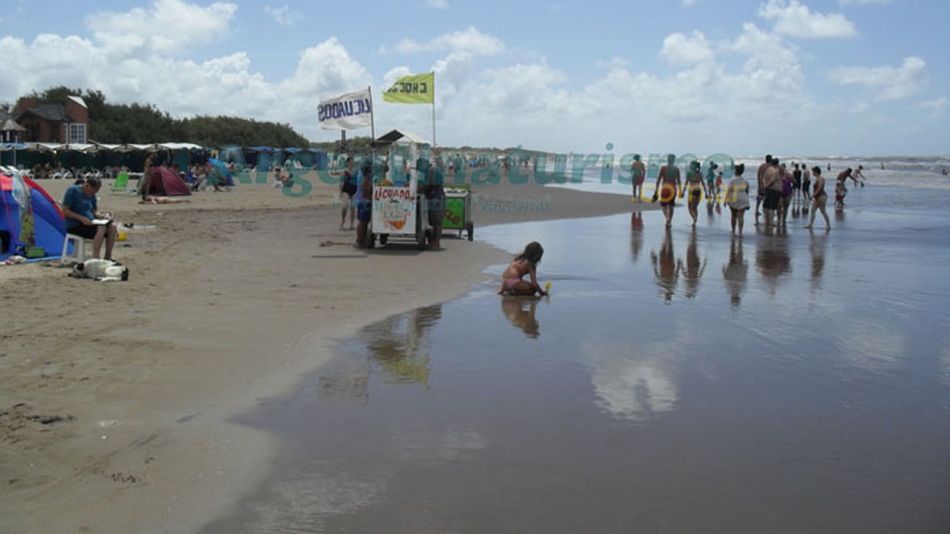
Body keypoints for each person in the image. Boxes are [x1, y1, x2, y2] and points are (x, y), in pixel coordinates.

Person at [61, 177, 117, 260]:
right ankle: (96, 257)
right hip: (75, 225)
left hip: (90, 223)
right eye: (92, 191)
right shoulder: (73, 191)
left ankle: (108, 256)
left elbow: (94, 211)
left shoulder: (92, 195)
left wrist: (103, 216)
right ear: (86, 185)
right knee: (101, 228)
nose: (92, 194)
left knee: (112, 226)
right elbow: (65, 211)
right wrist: (81, 218)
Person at [653, 154, 681, 227]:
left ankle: (667, 218)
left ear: (668, 160)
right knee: (671, 206)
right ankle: (669, 222)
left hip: (665, 188)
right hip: (673, 188)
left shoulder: (663, 168)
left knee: (664, 205)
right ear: (673, 160)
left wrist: (656, 190)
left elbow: (659, 179)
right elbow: (679, 181)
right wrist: (680, 191)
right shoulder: (676, 169)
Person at [424, 159, 446, 250]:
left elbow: (430, 185)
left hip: (436, 198)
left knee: (436, 221)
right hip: (437, 196)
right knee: (435, 222)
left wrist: (421, 190)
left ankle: (435, 243)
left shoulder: (431, 171)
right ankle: (433, 241)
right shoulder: (433, 170)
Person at [725, 163, 750, 236]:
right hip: (743, 198)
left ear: (735, 171)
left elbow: (729, 190)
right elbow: (747, 191)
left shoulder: (732, 180)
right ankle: (740, 232)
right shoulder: (745, 181)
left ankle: (733, 230)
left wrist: (726, 199)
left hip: (734, 198)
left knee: (733, 215)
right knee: (741, 216)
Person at [355, 162, 374, 247]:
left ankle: (362, 240)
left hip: (363, 202)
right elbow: (365, 193)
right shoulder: (365, 180)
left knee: (364, 222)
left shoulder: (365, 179)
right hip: (363, 203)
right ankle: (359, 240)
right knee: (362, 223)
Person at [762, 157, 784, 226]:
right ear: (777, 164)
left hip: (769, 189)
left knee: (767, 205)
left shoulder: (768, 169)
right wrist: (767, 185)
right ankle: (770, 221)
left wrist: (765, 185)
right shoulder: (775, 171)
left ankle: (767, 220)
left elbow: (763, 178)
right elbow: (773, 180)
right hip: (774, 190)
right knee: (772, 207)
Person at [683, 160, 704, 227]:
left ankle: (694, 218)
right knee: (695, 207)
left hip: (691, 191)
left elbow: (686, 183)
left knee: (690, 207)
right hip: (698, 190)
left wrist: (683, 191)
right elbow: (703, 183)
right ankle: (694, 221)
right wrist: (706, 192)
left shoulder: (689, 173)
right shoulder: (700, 173)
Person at [339, 157, 357, 230]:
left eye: (353, 162)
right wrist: (340, 192)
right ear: (347, 163)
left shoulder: (356, 172)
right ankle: (343, 220)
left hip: (354, 190)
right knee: (345, 206)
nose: (352, 163)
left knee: (353, 207)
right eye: (350, 162)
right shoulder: (344, 172)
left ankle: (352, 224)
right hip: (346, 190)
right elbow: (341, 182)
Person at [755, 154, 772, 224]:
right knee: (767, 198)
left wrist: (759, 183)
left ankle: (756, 210)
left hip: (761, 184)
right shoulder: (771, 167)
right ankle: (766, 211)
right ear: (770, 160)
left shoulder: (761, 166)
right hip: (768, 185)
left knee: (759, 198)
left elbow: (758, 175)